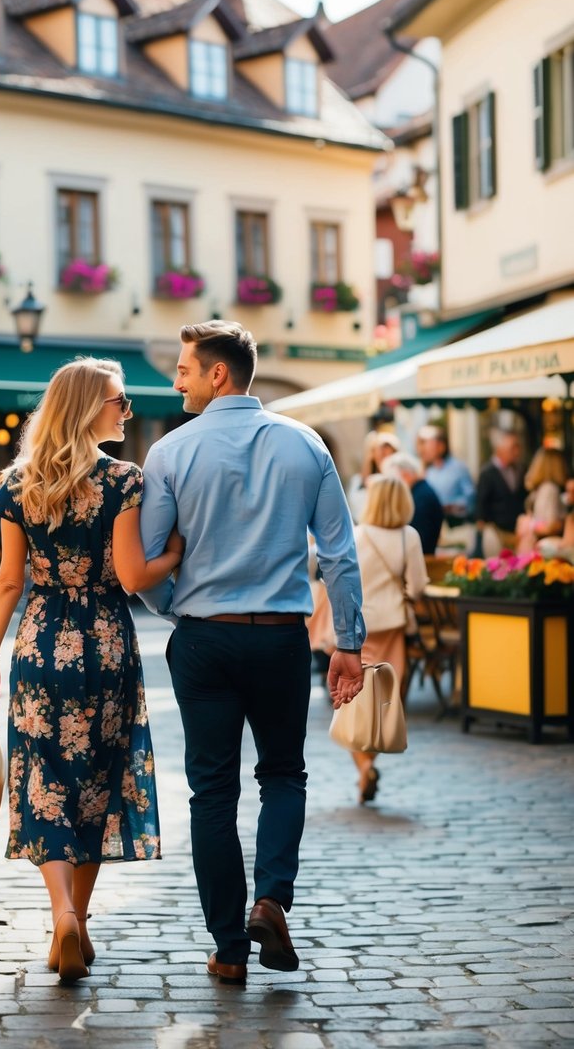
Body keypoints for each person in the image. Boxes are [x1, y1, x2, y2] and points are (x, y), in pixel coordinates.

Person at [139, 321, 365, 986]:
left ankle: (228, 950)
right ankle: (270, 900)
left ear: (217, 374)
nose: (174, 379)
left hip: (204, 637)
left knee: (211, 791)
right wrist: (348, 643)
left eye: (183, 368)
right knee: (283, 775)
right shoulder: (304, 445)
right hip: (279, 637)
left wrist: (179, 610)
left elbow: (152, 565)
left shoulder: (170, 453)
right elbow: (339, 553)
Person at [0, 358, 181, 983]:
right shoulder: (122, 480)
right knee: (97, 778)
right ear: (90, 407)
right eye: (118, 401)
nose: (126, 410)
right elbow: (132, 576)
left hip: (39, 642)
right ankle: (79, 921)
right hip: (105, 645)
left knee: (44, 777)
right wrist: (175, 550)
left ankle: (65, 914)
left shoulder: (19, 483)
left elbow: (9, 580)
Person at [353, 474, 428, 803]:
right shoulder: (408, 537)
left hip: (360, 629)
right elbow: (419, 587)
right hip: (394, 627)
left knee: (356, 705)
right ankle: (368, 765)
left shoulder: (357, 535)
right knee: (386, 704)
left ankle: (363, 770)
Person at [382, 451, 444, 556]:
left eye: (392, 482)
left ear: (406, 475)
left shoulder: (420, 497)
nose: (391, 489)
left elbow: (416, 539)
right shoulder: (420, 492)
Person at [475, 429, 525, 557]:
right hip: (496, 531)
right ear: (500, 449)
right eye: (513, 448)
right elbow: (481, 501)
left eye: (517, 447)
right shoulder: (487, 472)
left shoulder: (519, 469)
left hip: (516, 531)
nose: (516, 452)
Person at [417, 424, 475, 526]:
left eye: (428, 444)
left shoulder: (459, 467)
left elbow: (471, 497)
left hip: (456, 525)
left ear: (441, 446)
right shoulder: (426, 471)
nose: (424, 449)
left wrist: (453, 506)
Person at [515, 447, 568, 553]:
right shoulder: (550, 489)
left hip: (535, 544)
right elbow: (550, 526)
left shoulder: (538, 490)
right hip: (545, 546)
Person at [346, 430, 400, 522]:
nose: (383, 452)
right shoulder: (358, 481)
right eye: (380, 448)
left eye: (387, 448)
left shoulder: (398, 481)